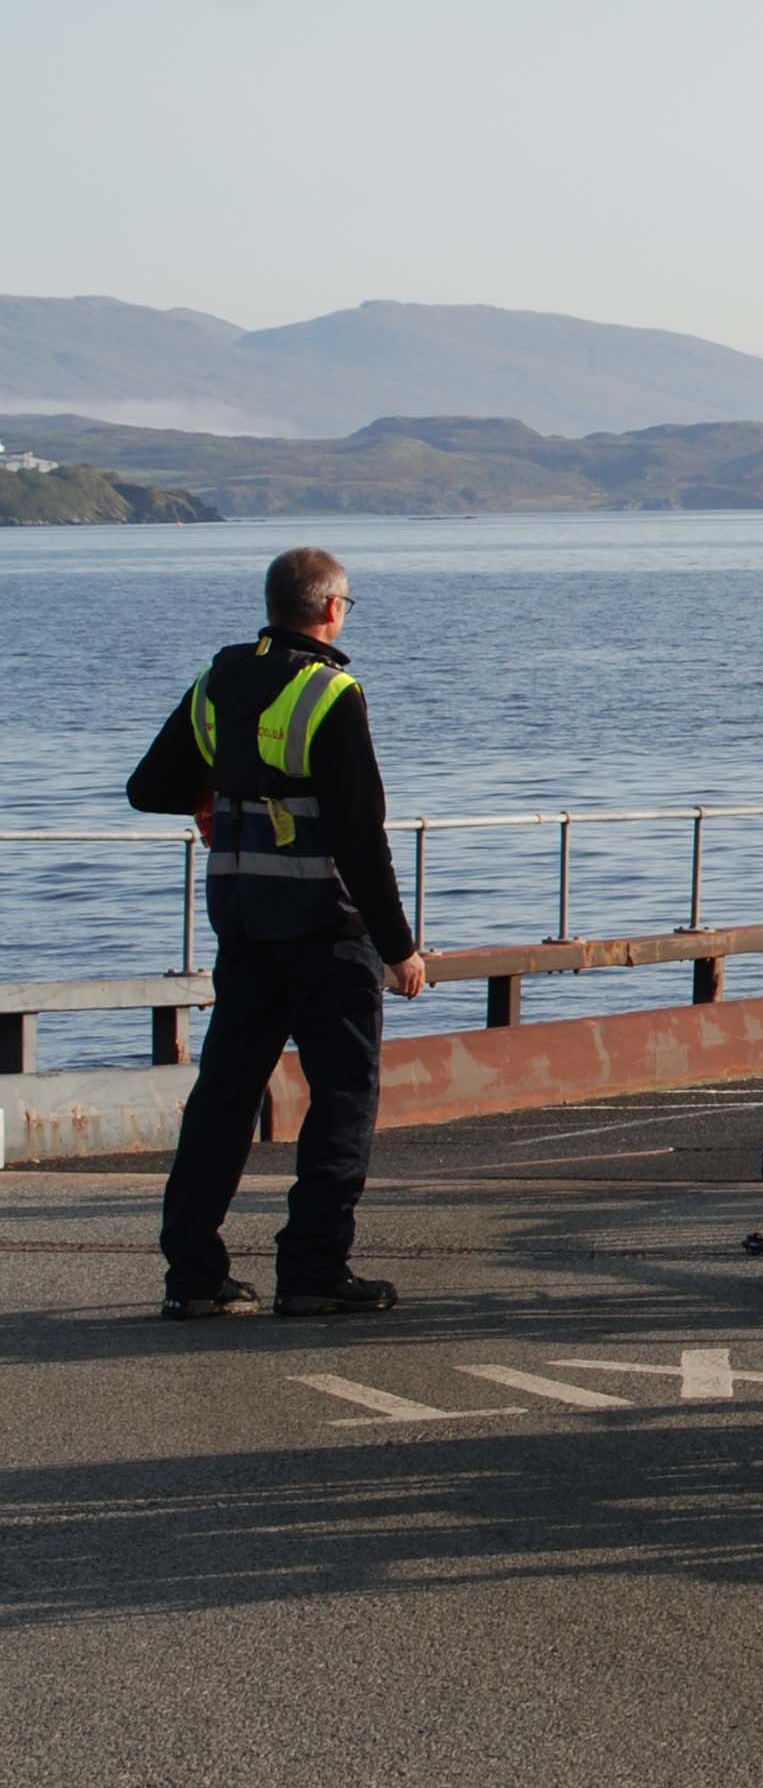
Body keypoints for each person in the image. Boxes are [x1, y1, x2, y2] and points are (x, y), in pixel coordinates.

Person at [124, 546, 432, 1321]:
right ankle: (313, 1269)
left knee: (225, 1092)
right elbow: (362, 838)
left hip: (243, 920)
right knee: (342, 1096)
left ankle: (192, 1274)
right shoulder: (331, 693)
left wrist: (213, 794)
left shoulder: (219, 680)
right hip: (326, 928)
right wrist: (400, 947)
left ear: (273, 605)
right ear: (331, 609)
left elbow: (146, 788)